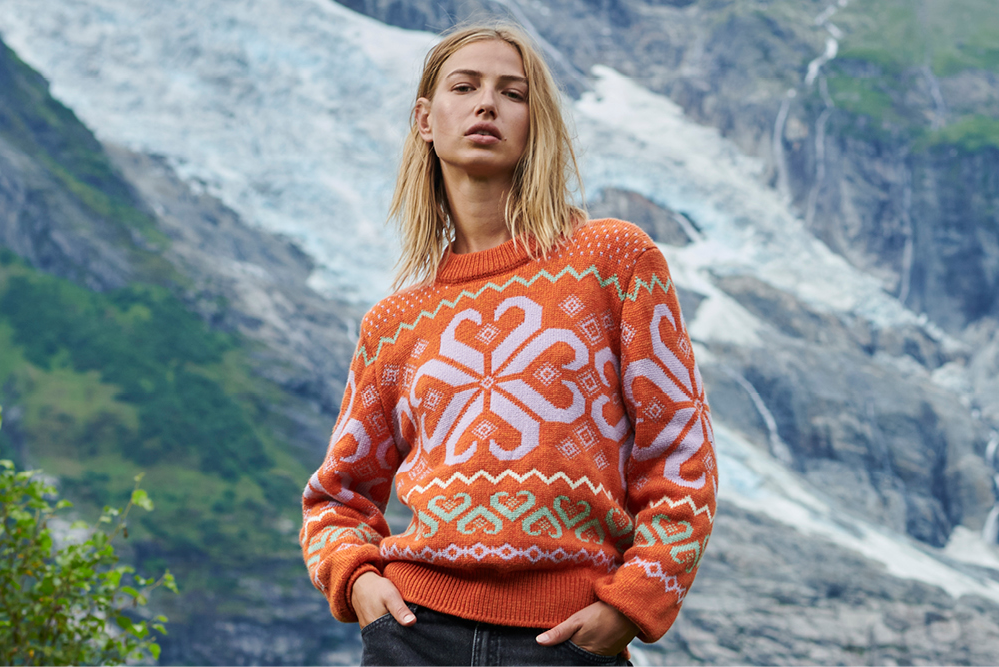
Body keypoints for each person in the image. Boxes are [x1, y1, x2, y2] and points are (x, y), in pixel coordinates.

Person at [299, 20, 716, 666]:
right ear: (425, 119)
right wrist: (358, 581)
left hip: (566, 640)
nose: (487, 103)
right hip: (415, 636)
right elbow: (335, 498)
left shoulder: (614, 262)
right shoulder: (394, 323)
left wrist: (631, 603)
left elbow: (680, 454)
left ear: (536, 122)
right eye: (464, 87)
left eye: (512, 93)